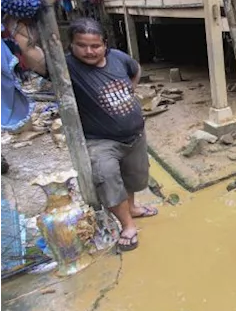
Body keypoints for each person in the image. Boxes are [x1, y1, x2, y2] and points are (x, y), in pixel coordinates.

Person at [5, 13, 154, 251]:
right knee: (108, 179)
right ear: (71, 45)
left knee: (135, 176)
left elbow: (135, 70)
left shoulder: (118, 58)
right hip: (100, 139)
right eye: (82, 46)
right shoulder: (67, 67)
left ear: (105, 45)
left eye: (95, 46)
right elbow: (34, 56)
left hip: (135, 134)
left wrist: (128, 94)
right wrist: (15, 22)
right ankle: (127, 225)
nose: (89, 51)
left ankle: (133, 208)